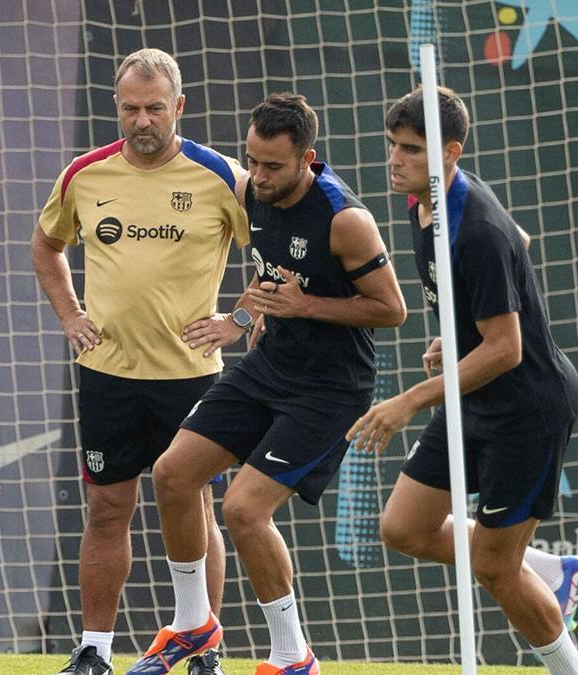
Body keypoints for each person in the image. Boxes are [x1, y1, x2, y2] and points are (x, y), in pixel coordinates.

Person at [128, 93, 406, 675]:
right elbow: (269, 278)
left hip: (330, 389)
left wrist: (305, 306)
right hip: (270, 366)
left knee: (244, 510)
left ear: (308, 158)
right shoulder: (250, 191)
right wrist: (243, 321)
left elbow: (390, 309)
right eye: (251, 160)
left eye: (272, 166)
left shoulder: (346, 220)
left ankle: (293, 657)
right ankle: (193, 627)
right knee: (173, 475)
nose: (258, 176)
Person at [346, 86, 578, 674]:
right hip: (474, 398)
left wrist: (409, 400)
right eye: (392, 145)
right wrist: (461, 330)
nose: (394, 159)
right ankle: (555, 570)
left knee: (493, 566)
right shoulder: (423, 201)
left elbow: (506, 350)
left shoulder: (476, 228)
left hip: (526, 411)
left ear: (451, 152)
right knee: (402, 527)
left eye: (410, 148)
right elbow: (521, 247)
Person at [33, 47, 248, 675]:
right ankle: (94, 649)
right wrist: (72, 315)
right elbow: (47, 246)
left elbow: (284, 256)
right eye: (131, 109)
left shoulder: (221, 176)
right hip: (107, 375)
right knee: (106, 509)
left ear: (178, 107)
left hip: (191, 377)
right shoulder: (85, 174)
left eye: (155, 108)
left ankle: (204, 647)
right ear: (117, 108)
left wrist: (237, 321)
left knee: (200, 509)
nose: (142, 121)